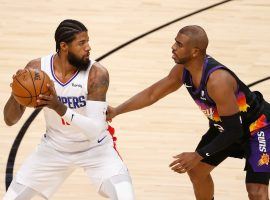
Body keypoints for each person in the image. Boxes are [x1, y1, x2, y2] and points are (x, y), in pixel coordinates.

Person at [106, 25, 270, 200]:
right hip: (226, 126)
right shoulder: (183, 70)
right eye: (175, 42)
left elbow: (234, 131)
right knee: (197, 171)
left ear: (194, 52)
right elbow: (152, 94)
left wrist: (198, 155)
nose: (173, 47)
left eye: (179, 44)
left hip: (259, 128)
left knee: (255, 191)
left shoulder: (218, 81)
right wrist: (117, 110)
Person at [3, 19, 135, 200]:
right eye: (82, 43)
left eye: (88, 41)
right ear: (63, 46)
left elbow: (94, 130)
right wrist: (17, 92)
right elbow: (9, 120)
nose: (88, 47)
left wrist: (59, 107)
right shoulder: (37, 70)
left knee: (125, 197)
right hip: (54, 148)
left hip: (95, 149)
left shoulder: (96, 74)